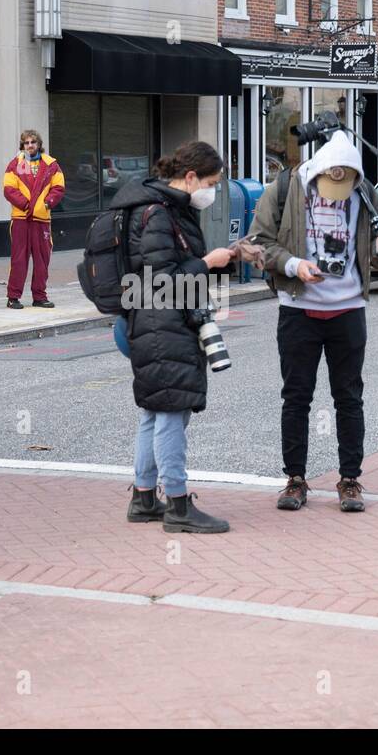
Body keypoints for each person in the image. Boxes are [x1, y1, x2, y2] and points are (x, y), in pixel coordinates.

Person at [248, 130, 378, 514]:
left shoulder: (364, 193)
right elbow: (256, 244)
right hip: (298, 309)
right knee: (296, 397)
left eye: (346, 181)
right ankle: (295, 479)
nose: (339, 187)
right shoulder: (284, 189)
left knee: (349, 397)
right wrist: (295, 265)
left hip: (348, 309)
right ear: (317, 172)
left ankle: (350, 479)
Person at [109, 140, 235, 534]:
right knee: (170, 415)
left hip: (148, 322)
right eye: (211, 182)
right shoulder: (159, 214)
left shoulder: (157, 207)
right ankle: (178, 505)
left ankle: (144, 497)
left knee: (153, 413)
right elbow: (162, 281)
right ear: (191, 176)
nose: (212, 192)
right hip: (162, 323)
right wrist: (207, 262)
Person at [2, 129, 63, 309]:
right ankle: (13, 297)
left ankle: (39, 296)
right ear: (22, 146)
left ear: (38, 144)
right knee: (19, 259)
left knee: (42, 259)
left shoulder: (52, 165)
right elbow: (9, 190)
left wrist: (46, 204)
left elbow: (58, 188)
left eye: (33, 142)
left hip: (42, 219)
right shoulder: (15, 165)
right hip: (21, 219)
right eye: (26, 143)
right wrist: (27, 206)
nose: (30, 146)